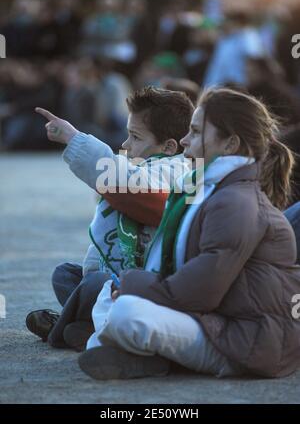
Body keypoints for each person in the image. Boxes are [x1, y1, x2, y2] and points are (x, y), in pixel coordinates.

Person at [78, 87, 300, 380]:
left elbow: (202, 291)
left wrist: (135, 284)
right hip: (217, 320)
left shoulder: (235, 201)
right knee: (108, 295)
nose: (184, 140)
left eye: (195, 132)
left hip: (248, 343)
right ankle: (142, 354)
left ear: (230, 144)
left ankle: (140, 351)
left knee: (125, 311)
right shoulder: (209, 188)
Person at [26, 87, 194, 349]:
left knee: (95, 283)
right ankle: (91, 325)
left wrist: (75, 139)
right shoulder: (150, 166)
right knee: (65, 274)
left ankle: (64, 331)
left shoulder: (177, 170)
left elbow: (124, 179)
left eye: (135, 137)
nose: (126, 145)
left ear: (169, 146)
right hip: (115, 278)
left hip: (143, 289)